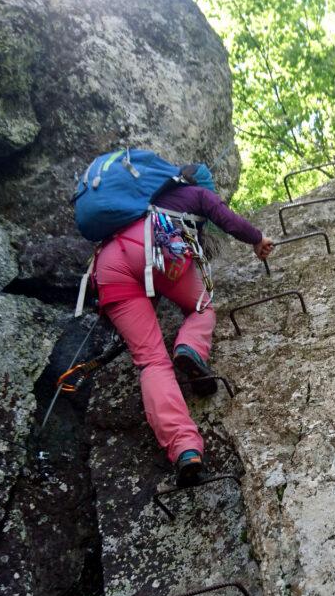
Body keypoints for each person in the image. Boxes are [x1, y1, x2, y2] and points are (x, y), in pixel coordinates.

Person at [93, 164, 274, 485]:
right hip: (156, 245)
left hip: (108, 265)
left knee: (150, 362)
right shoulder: (196, 193)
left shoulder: (142, 204)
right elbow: (228, 219)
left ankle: (185, 451)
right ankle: (190, 348)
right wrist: (258, 238)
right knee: (202, 307)